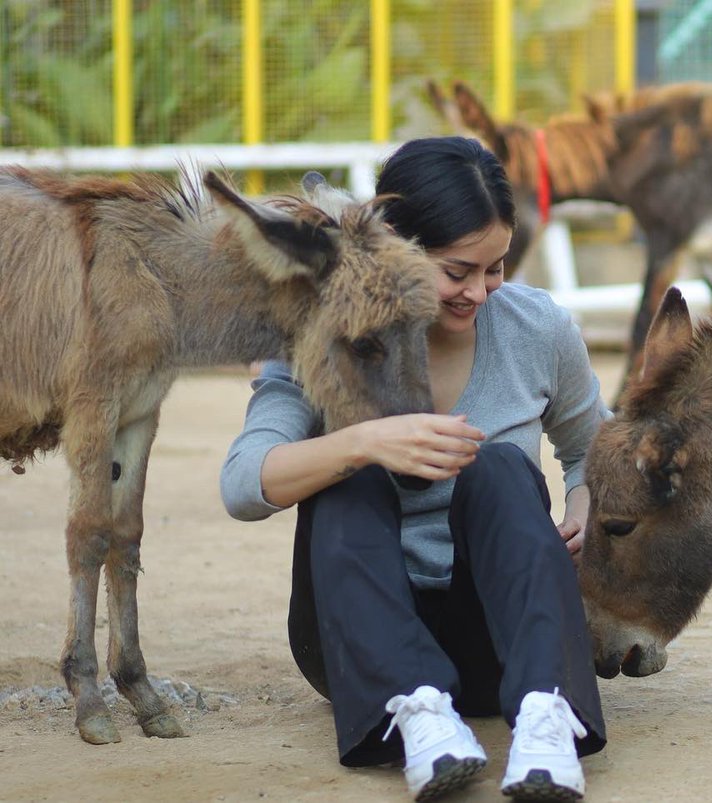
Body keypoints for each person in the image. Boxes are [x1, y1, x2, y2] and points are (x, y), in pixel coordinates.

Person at [220, 136, 607, 802]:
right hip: (358, 644)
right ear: (396, 251)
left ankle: (545, 713)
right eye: (458, 271)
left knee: (502, 468)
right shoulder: (321, 337)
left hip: (497, 633)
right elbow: (243, 483)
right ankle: (422, 716)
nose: (481, 291)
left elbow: (595, 449)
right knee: (351, 479)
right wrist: (366, 441)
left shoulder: (536, 328)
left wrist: (583, 501)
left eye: (497, 267)